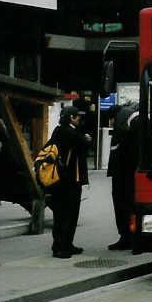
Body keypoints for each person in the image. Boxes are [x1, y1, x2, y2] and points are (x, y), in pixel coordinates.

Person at [47, 105, 91, 258]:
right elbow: (85, 144)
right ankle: (62, 247)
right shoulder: (70, 132)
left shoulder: (58, 131)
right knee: (68, 215)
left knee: (61, 215)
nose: (80, 119)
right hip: (69, 180)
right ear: (72, 118)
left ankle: (62, 245)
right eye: (78, 117)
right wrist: (85, 138)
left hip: (60, 180)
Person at [107, 105, 139, 250]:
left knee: (122, 204)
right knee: (131, 204)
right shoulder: (133, 116)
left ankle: (127, 238)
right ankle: (133, 238)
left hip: (123, 172)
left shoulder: (122, 119)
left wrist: (113, 170)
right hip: (133, 170)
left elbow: (116, 149)